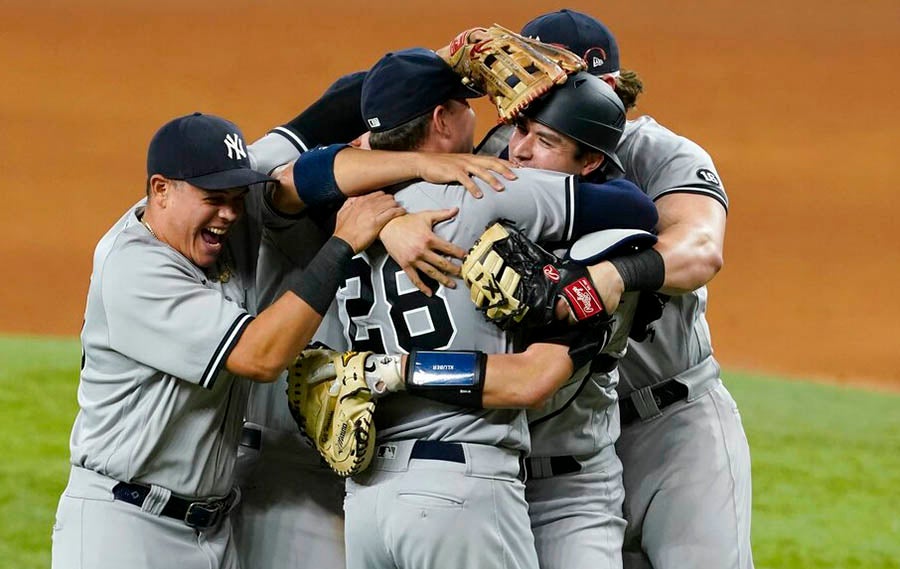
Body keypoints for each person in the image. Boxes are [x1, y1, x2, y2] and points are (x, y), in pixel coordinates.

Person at [50, 110, 516, 569]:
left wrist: (442, 72)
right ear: (161, 190)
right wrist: (343, 243)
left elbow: (309, 139)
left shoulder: (210, 217)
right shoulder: (135, 267)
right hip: (125, 526)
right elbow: (260, 355)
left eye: (237, 196)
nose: (230, 213)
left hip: (212, 531)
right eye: (215, 198)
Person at [329, 48, 657, 569]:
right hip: (459, 486)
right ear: (441, 120)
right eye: (464, 103)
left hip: (366, 502)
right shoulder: (484, 190)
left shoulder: (346, 221)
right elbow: (637, 208)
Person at [519, 10, 753, 569]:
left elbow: (700, 248)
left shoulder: (660, 153)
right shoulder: (513, 152)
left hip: (673, 424)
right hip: (565, 446)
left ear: (610, 88)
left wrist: (616, 274)